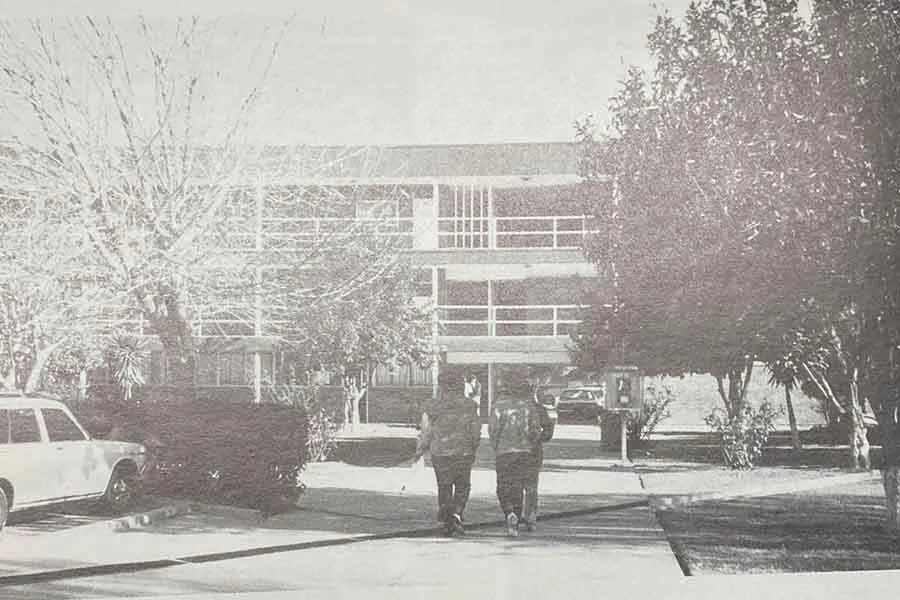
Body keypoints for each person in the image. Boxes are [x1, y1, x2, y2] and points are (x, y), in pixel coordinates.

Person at [411, 374, 482, 537]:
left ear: (441, 386)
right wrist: (474, 445)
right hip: (464, 451)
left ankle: (447, 519)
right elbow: (475, 429)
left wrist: (420, 451)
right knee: (463, 485)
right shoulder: (469, 405)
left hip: (440, 452)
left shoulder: (432, 405)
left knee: (444, 486)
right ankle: (457, 514)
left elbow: (426, 431)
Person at [489, 378, 542, 537]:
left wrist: (496, 446)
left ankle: (509, 512)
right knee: (518, 487)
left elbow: (493, 430)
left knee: (503, 485)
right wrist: (530, 444)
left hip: (504, 451)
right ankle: (516, 522)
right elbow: (535, 430)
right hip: (524, 451)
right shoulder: (528, 406)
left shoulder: (498, 406)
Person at [523, 387, 555, 532]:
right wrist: (539, 439)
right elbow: (548, 430)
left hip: (512, 451)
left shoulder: (508, 408)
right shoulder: (538, 409)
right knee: (531, 487)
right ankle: (530, 518)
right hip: (533, 451)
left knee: (514, 485)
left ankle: (513, 515)